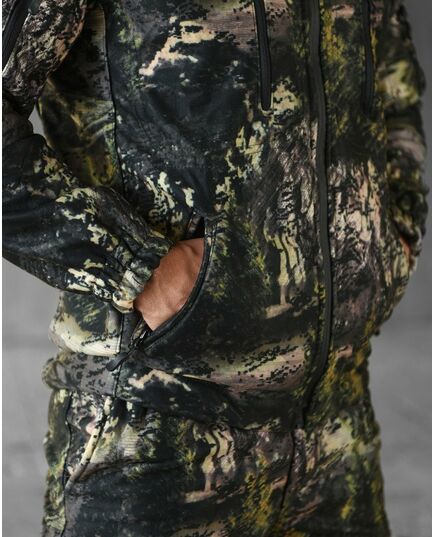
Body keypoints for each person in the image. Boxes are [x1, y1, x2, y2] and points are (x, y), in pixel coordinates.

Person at [2, 0, 429, 535]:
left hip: (337, 419)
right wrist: (135, 266)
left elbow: (391, 76)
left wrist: (393, 228)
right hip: (161, 419)